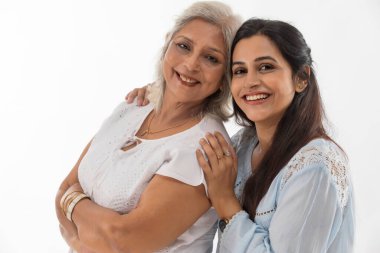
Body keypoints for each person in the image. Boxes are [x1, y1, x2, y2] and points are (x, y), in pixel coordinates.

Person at [127, 18, 355, 252]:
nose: (251, 82)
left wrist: (225, 200)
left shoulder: (316, 168)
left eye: (266, 67)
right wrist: (161, 97)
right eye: (240, 71)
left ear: (301, 78)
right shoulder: (243, 145)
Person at [55, 2, 241, 253]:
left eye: (211, 58)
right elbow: (64, 187)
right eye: (184, 46)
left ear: (224, 78)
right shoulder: (133, 107)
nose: (191, 64)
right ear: (167, 44)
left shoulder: (202, 148)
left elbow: (123, 242)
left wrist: (73, 216)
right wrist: (80, 218)